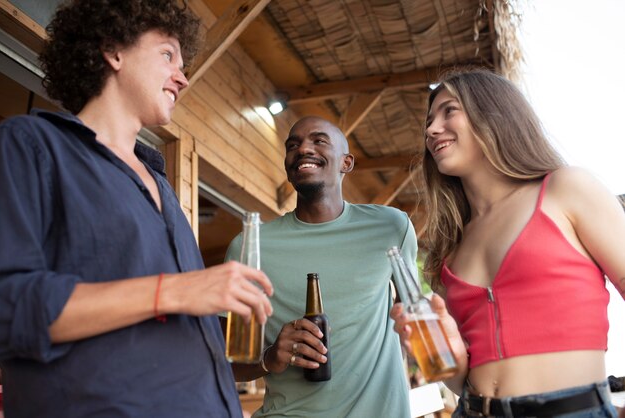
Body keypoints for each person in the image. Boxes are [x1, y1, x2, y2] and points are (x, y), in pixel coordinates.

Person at [0, 1, 273, 417]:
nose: (182, 77)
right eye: (167, 54)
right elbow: (8, 306)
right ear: (114, 52)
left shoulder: (162, 187)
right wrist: (175, 290)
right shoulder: (31, 145)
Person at [391, 69, 625, 417]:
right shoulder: (451, 249)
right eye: (429, 120)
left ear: (493, 114)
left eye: (449, 111)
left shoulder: (566, 189)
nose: (431, 129)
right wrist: (453, 361)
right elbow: (461, 379)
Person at [224, 116, 417, 417]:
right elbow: (224, 363)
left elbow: (413, 323)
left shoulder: (391, 227)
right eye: (293, 145)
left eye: (319, 140)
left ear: (346, 162)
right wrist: (270, 358)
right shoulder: (250, 246)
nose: (303, 149)